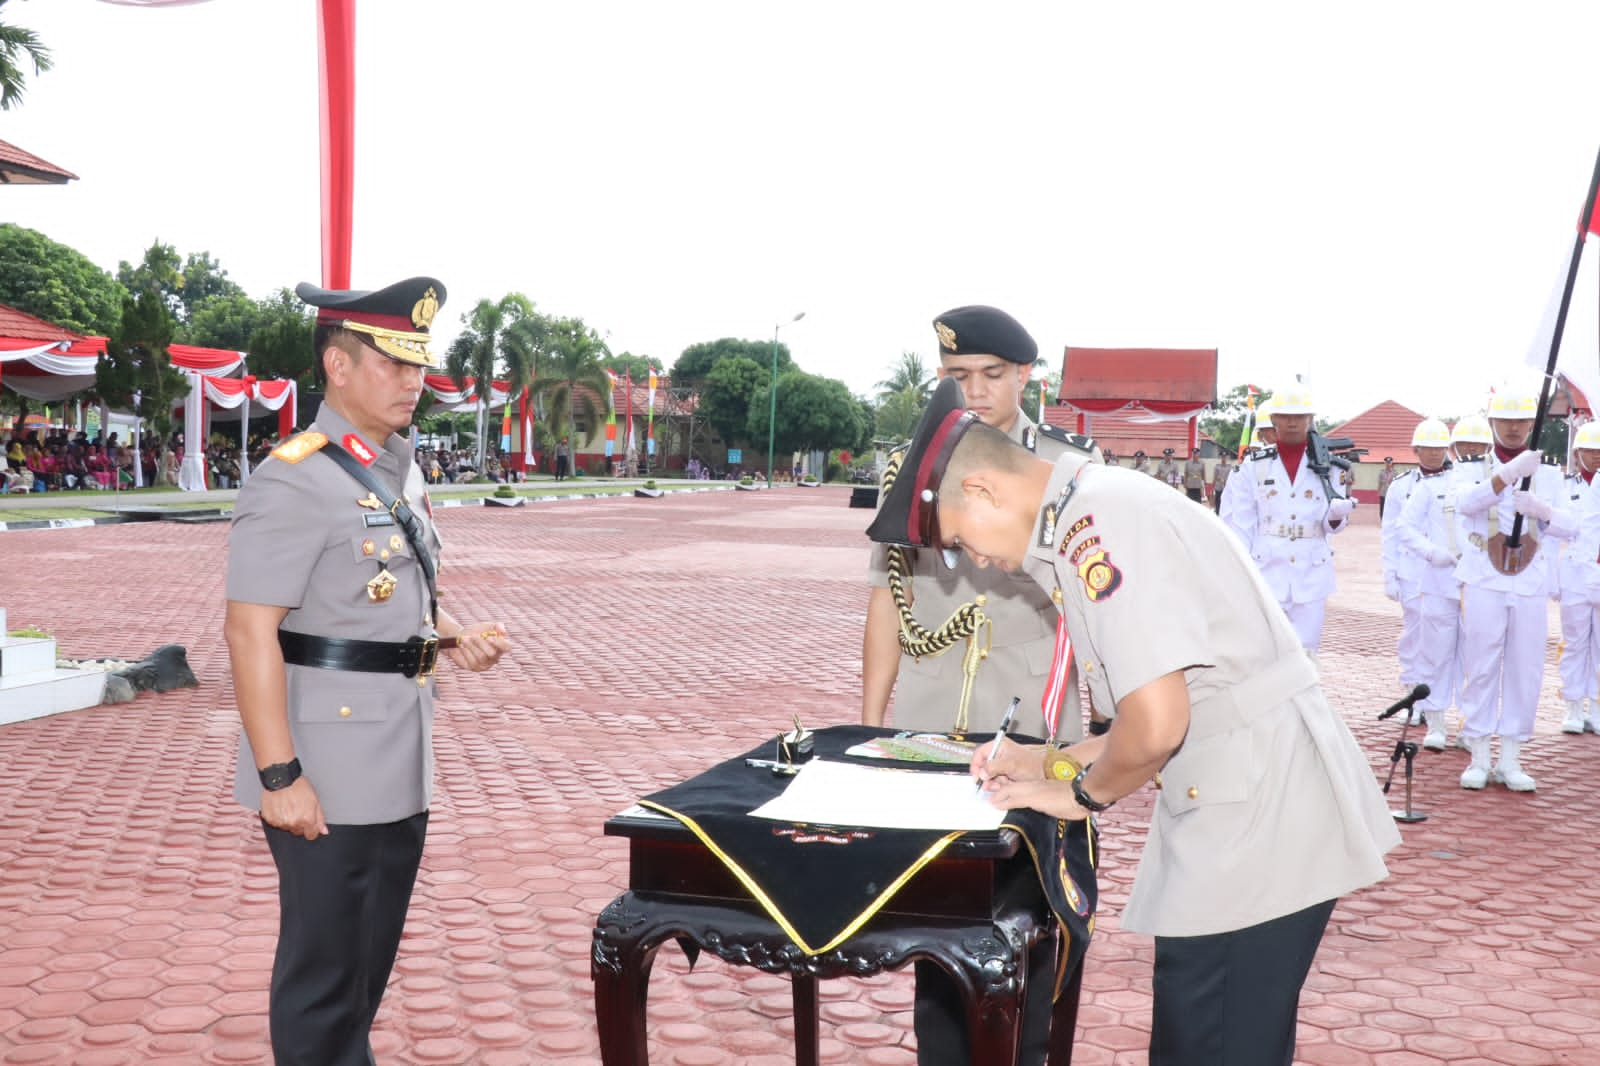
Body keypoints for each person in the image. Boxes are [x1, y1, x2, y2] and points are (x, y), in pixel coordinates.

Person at [868, 377, 1400, 1066]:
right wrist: (1051, 761)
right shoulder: (1095, 509)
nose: (972, 561)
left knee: (1208, 1043)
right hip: (1247, 800)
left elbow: (1155, 725)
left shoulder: (1098, 526)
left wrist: (1078, 794)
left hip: (1258, 822)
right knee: (1209, 1036)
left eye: (956, 543)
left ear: (981, 492)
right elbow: (1163, 711)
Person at [223, 275, 512, 1066]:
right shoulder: (294, 476)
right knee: (323, 977)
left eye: (418, 365)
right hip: (326, 767)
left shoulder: (397, 471)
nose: (414, 381)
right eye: (393, 363)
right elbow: (249, 631)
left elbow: (384, 601)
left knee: (361, 974)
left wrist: (455, 635)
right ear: (339, 367)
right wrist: (280, 776)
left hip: (396, 755)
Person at [862, 306, 1099, 1066]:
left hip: (1029, 715)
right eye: (958, 377)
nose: (975, 392)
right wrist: (869, 728)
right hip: (931, 714)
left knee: (1027, 915)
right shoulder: (916, 465)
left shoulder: (1065, 467)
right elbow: (884, 601)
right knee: (937, 918)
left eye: (992, 376)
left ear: (1027, 375)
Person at [1452, 377, 1574, 791]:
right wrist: (1506, 477)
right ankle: (1479, 755)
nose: (1514, 428)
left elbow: (1573, 528)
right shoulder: (1470, 468)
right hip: (1485, 580)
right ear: (1491, 423)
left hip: (1530, 582)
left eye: (1522, 421)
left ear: (1532, 424)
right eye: (1505, 421)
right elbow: (1466, 504)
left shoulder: (1552, 474)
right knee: (1482, 665)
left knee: (1525, 670)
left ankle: (1511, 758)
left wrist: (1544, 510)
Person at [1220, 385, 1355, 653]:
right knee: (1265, 650)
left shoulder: (1330, 466)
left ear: (1310, 420)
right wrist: (1241, 573)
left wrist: (1337, 517)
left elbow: (1330, 526)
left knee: (1306, 651)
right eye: (1285, 416)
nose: (1292, 422)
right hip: (1267, 568)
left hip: (1311, 569)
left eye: (1299, 416)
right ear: (1273, 420)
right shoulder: (1254, 466)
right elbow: (1241, 526)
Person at [1396, 415, 1490, 750]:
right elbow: (1402, 528)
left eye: (1477, 445)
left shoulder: (1495, 487)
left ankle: (1470, 724)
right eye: (1463, 445)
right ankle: (1436, 720)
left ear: (1488, 448)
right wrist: (1430, 551)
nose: (1470, 451)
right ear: (1454, 448)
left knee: (1475, 658)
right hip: (1439, 581)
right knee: (1434, 653)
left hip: (1480, 586)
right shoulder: (1431, 487)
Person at [1381, 420, 1450, 714]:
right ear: (1416, 449)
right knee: (1413, 635)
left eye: (1439, 449)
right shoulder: (1401, 486)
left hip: (1445, 573)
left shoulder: (1457, 483)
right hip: (1411, 572)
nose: (1434, 455)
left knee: (1441, 637)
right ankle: (1413, 697)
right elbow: (1391, 534)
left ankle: (1438, 700)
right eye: (1427, 449)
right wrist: (1390, 573)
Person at [1556, 422, 1600, 734]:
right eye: (1590, 450)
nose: (1596, 456)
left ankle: (1596, 708)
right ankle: (1572, 706)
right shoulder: (1563, 488)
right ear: (1577, 452)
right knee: (1574, 643)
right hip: (1573, 573)